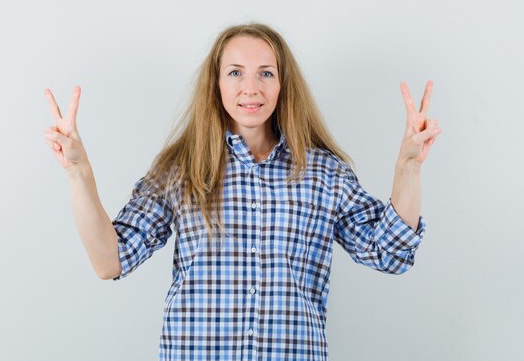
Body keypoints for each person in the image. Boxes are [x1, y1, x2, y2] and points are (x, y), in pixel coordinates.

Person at [42, 22, 441, 361]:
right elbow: (110, 260)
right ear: (215, 84)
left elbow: (390, 253)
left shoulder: (324, 173)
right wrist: (79, 172)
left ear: (284, 84)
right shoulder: (181, 169)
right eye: (235, 72)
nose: (251, 87)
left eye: (266, 73)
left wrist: (408, 167)